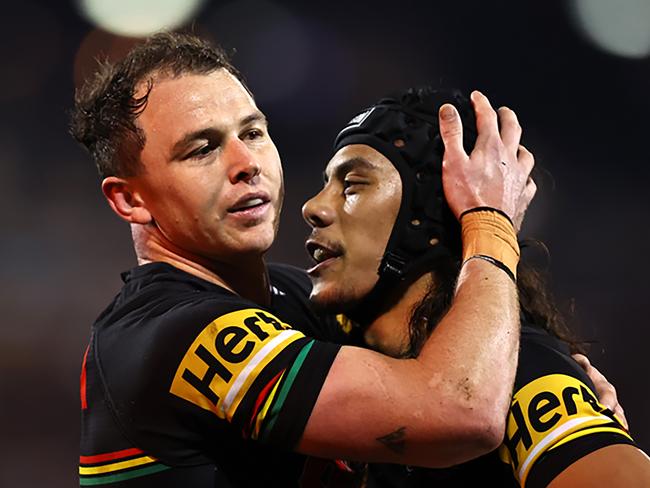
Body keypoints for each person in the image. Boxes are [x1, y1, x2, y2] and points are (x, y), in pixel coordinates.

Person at [69, 31, 538, 487]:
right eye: (203, 149)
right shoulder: (171, 333)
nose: (246, 162)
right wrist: (488, 222)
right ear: (130, 200)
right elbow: (461, 411)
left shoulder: (295, 296)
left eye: (252, 132)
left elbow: (453, 349)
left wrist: (557, 381)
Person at [301, 87, 650, 487]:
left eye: (352, 186)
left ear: (424, 216)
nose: (313, 207)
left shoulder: (521, 374)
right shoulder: (316, 333)